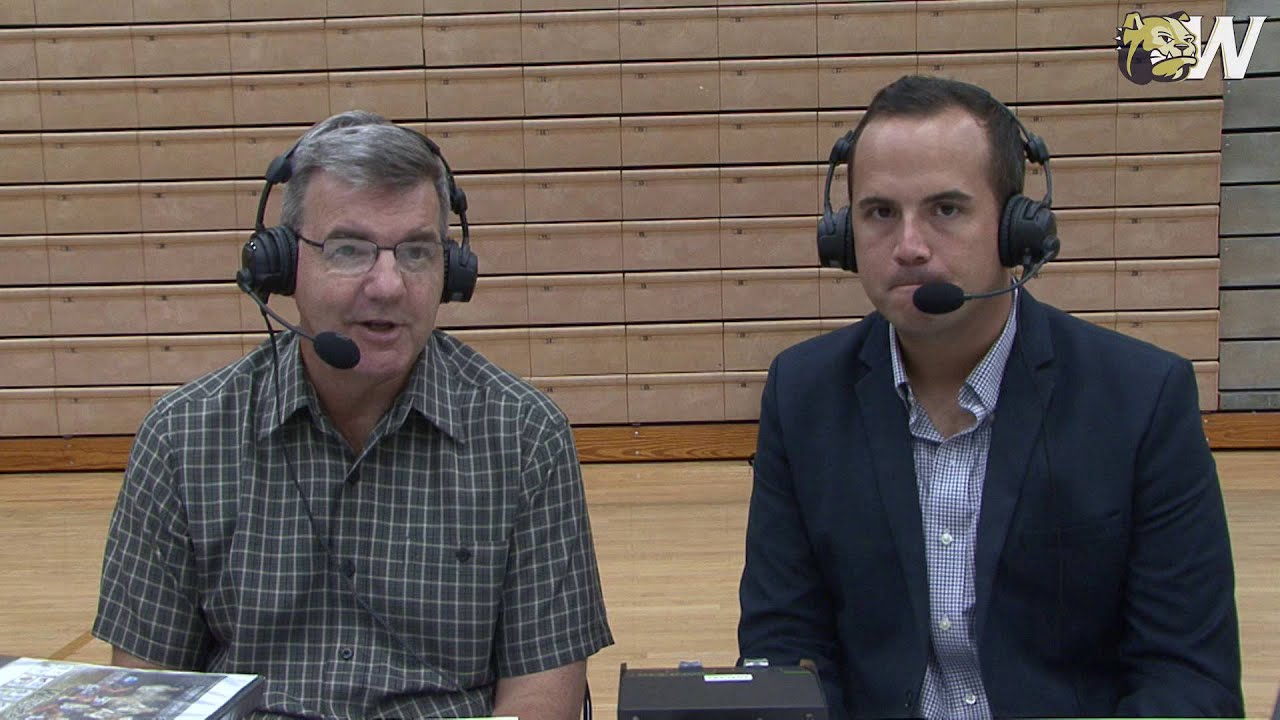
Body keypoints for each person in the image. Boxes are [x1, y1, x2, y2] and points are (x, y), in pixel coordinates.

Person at [737, 75, 1242, 720]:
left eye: (946, 210)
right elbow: (786, 649)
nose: (909, 247)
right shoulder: (801, 394)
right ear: (843, 235)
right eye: (880, 213)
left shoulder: (1142, 399)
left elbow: (1189, 678)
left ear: (1015, 230)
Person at [93, 111, 614, 719]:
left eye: (416, 252)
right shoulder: (182, 438)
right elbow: (148, 693)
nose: (388, 285)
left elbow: (541, 696)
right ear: (283, 266)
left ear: (451, 273)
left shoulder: (525, 436)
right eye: (348, 250)